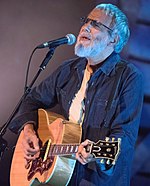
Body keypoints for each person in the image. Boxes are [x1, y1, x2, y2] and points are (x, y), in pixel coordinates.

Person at [9, 3, 143, 186]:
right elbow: (31, 100)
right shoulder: (69, 69)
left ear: (113, 39)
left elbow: (125, 136)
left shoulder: (129, 77)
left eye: (96, 24)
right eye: (86, 21)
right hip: (60, 175)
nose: (85, 27)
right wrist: (29, 130)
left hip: (97, 180)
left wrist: (95, 153)